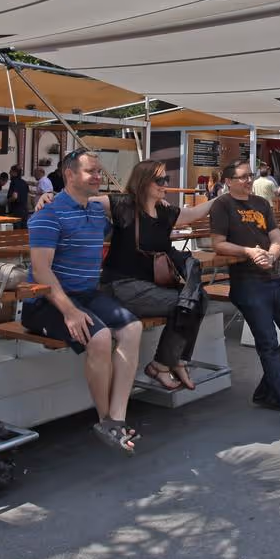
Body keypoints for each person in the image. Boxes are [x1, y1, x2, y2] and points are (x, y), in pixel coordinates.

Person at [21, 150, 146, 455]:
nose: (98, 177)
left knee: (133, 329)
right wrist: (69, 311)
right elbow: (41, 271)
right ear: (69, 174)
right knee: (100, 337)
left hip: (87, 295)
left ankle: (117, 417)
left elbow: (124, 207)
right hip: (44, 302)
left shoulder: (95, 212)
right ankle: (105, 421)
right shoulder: (47, 215)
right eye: (91, 171)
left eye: (99, 172)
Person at [211, 159, 280, 435]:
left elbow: (277, 239)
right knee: (268, 343)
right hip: (246, 283)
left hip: (273, 278)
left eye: (250, 175)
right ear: (228, 181)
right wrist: (249, 252)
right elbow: (217, 243)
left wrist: (271, 254)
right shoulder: (222, 205)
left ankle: (267, 391)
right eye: (242, 177)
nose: (248, 180)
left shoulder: (262, 204)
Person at [101, 160, 214, 391]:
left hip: (149, 286)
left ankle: (175, 361)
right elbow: (82, 199)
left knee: (198, 297)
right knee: (187, 302)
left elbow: (193, 213)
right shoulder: (124, 205)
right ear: (143, 182)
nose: (165, 184)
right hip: (121, 286)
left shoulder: (163, 212)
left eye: (166, 179)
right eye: (160, 180)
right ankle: (164, 364)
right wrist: (49, 196)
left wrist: (221, 198)